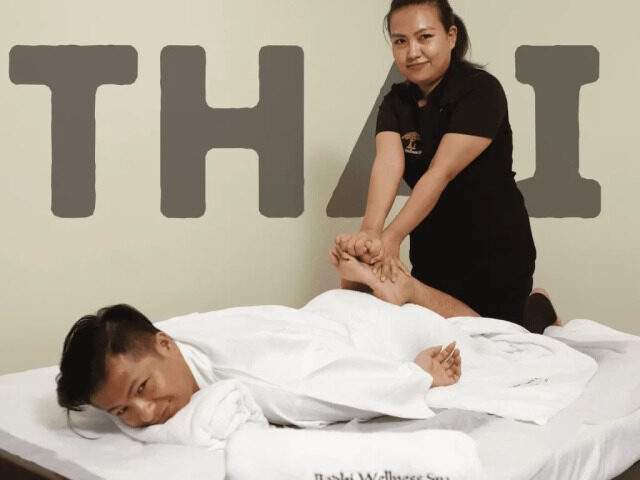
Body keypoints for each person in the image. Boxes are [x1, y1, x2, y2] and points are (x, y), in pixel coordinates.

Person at [335, 0, 537, 328]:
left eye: (424, 37)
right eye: (400, 41)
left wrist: (391, 238)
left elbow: (440, 173)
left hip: (494, 248)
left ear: (451, 36)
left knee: (499, 340)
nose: (412, 51)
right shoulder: (396, 102)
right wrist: (370, 232)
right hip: (434, 250)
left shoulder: (481, 91)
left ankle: (540, 306)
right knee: (436, 335)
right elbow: (387, 164)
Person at [56, 300, 462, 429]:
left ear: (164, 344)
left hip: (367, 323)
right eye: (121, 411)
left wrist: (418, 375)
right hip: (312, 314)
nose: (145, 414)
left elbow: (345, 388)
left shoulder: (269, 382)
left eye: (142, 389)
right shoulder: (156, 341)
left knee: (461, 324)